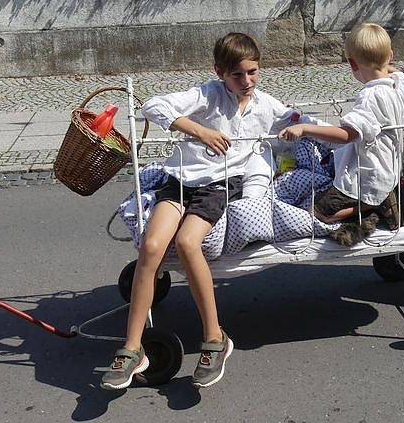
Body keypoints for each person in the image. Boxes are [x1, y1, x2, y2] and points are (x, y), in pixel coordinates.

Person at [100, 32, 315, 391]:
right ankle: (133, 347)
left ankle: (215, 338)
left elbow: (301, 119)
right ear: (219, 72)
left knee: (187, 244)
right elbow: (152, 106)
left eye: (253, 72)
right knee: (151, 248)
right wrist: (198, 130)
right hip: (180, 180)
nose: (246, 81)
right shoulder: (206, 95)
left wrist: (313, 128)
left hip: (218, 187)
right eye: (237, 75)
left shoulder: (265, 105)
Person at [278, 22, 404, 246]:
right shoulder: (398, 86)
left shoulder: (370, 97)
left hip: (365, 178)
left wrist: (305, 128)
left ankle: (374, 204)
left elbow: (347, 135)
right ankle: (378, 204)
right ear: (391, 55)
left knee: (317, 212)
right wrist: (393, 69)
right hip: (389, 170)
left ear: (352, 64)